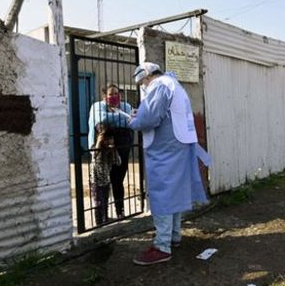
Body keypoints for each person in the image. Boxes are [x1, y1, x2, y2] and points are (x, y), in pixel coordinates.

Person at [128, 62, 209, 265]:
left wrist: (132, 121)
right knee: (174, 192)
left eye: (142, 83)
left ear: (147, 77)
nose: (143, 87)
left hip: (164, 149)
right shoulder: (174, 84)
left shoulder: (159, 85)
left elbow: (148, 120)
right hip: (178, 146)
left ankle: (162, 246)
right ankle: (173, 236)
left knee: (162, 193)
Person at [88, 84, 134, 219]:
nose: (115, 96)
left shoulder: (126, 106)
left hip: (122, 147)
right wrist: (122, 117)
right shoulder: (97, 106)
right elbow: (101, 120)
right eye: (111, 94)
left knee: (118, 180)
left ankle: (120, 212)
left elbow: (131, 123)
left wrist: (113, 118)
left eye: (117, 93)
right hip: (102, 148)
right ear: (104, 96)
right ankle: (102, 216)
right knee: (102, 183)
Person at [89, 124, 121, 225]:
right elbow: (94, 156)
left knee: (106, 201)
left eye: (111, 138)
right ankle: (99, 222)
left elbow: (118, 162)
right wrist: (99, 143)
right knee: (98, 202)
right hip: (96, 181)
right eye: (107, 139)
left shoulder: (110, 150)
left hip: (106, 180)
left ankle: (105, 219)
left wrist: (114, 151)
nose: (109, 141)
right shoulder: (97, 149)